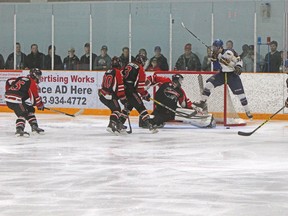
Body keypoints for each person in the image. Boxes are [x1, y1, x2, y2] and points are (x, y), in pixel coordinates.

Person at [194, 39, 253, 120]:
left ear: (219, 47)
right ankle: (203, 102)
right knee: (208, 84)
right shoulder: (215, 55)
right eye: (213, 47)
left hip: (232, 75)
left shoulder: (229, 52)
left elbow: (239, 60)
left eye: (215, 47)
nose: (214, 48)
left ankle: (247, 110)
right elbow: (216, 67)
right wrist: (215, 59)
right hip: (222, 74)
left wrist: (238, 67)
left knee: (241, 95)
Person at [141, 73, 216, 128]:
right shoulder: (165, 81)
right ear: (177, 80)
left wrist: (195, 107)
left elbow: (185, 104)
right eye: (181, 80)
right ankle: (148, 120)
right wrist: (144, 88)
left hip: (170, 112)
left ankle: (206, 121)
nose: (181, 82)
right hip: (159, 108)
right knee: (154, 120)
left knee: (159, 119)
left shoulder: (180, 91)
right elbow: (153, 78)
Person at [120, 54, 158, 133]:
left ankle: (119, 123)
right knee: (140, 106)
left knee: (128, 107)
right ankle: (150, 125)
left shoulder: (128, 64)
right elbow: (140, 88)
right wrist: (145, 94)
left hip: (123, 89)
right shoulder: (140, 68)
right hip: (130, 90)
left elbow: (121, 75)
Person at [5, 68, 45, 136]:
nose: (39, 78)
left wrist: (9, 91)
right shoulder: (32, 83)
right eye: (38, 76)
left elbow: (9, 81)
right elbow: (35, 98)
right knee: (23, 113)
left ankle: (34, 126)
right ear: (34, 76)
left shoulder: (22, 78)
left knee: (30, 109)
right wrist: (40, 105)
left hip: (12, 98)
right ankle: (19, 130)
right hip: (16, 99)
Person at [98, 56, 127, 135]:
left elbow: (104, 84)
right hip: (109, 96)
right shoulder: (117, 72)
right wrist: (123, 99)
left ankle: (118, 125)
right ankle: (111, 125)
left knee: (115, 109)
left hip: (102, 94)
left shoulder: (107, 71)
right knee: (117, 110)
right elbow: (120, 86)